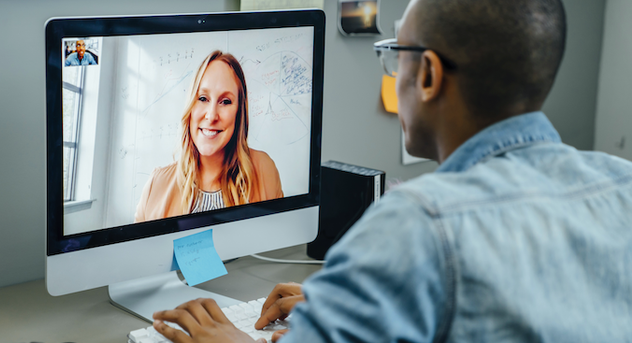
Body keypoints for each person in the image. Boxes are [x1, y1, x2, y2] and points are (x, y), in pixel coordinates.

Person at [151, 0, 632, 342]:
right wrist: (356, 304)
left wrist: (227, 341)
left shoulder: (417, 224)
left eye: (395, 55)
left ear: (427, 76)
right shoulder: (623, 186)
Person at [135, 51, 283, 221]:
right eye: (203, 98)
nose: (211, 116)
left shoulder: (264, 170)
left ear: (239, 113)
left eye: (225, 101)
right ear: (191, 106)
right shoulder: (156, 185)